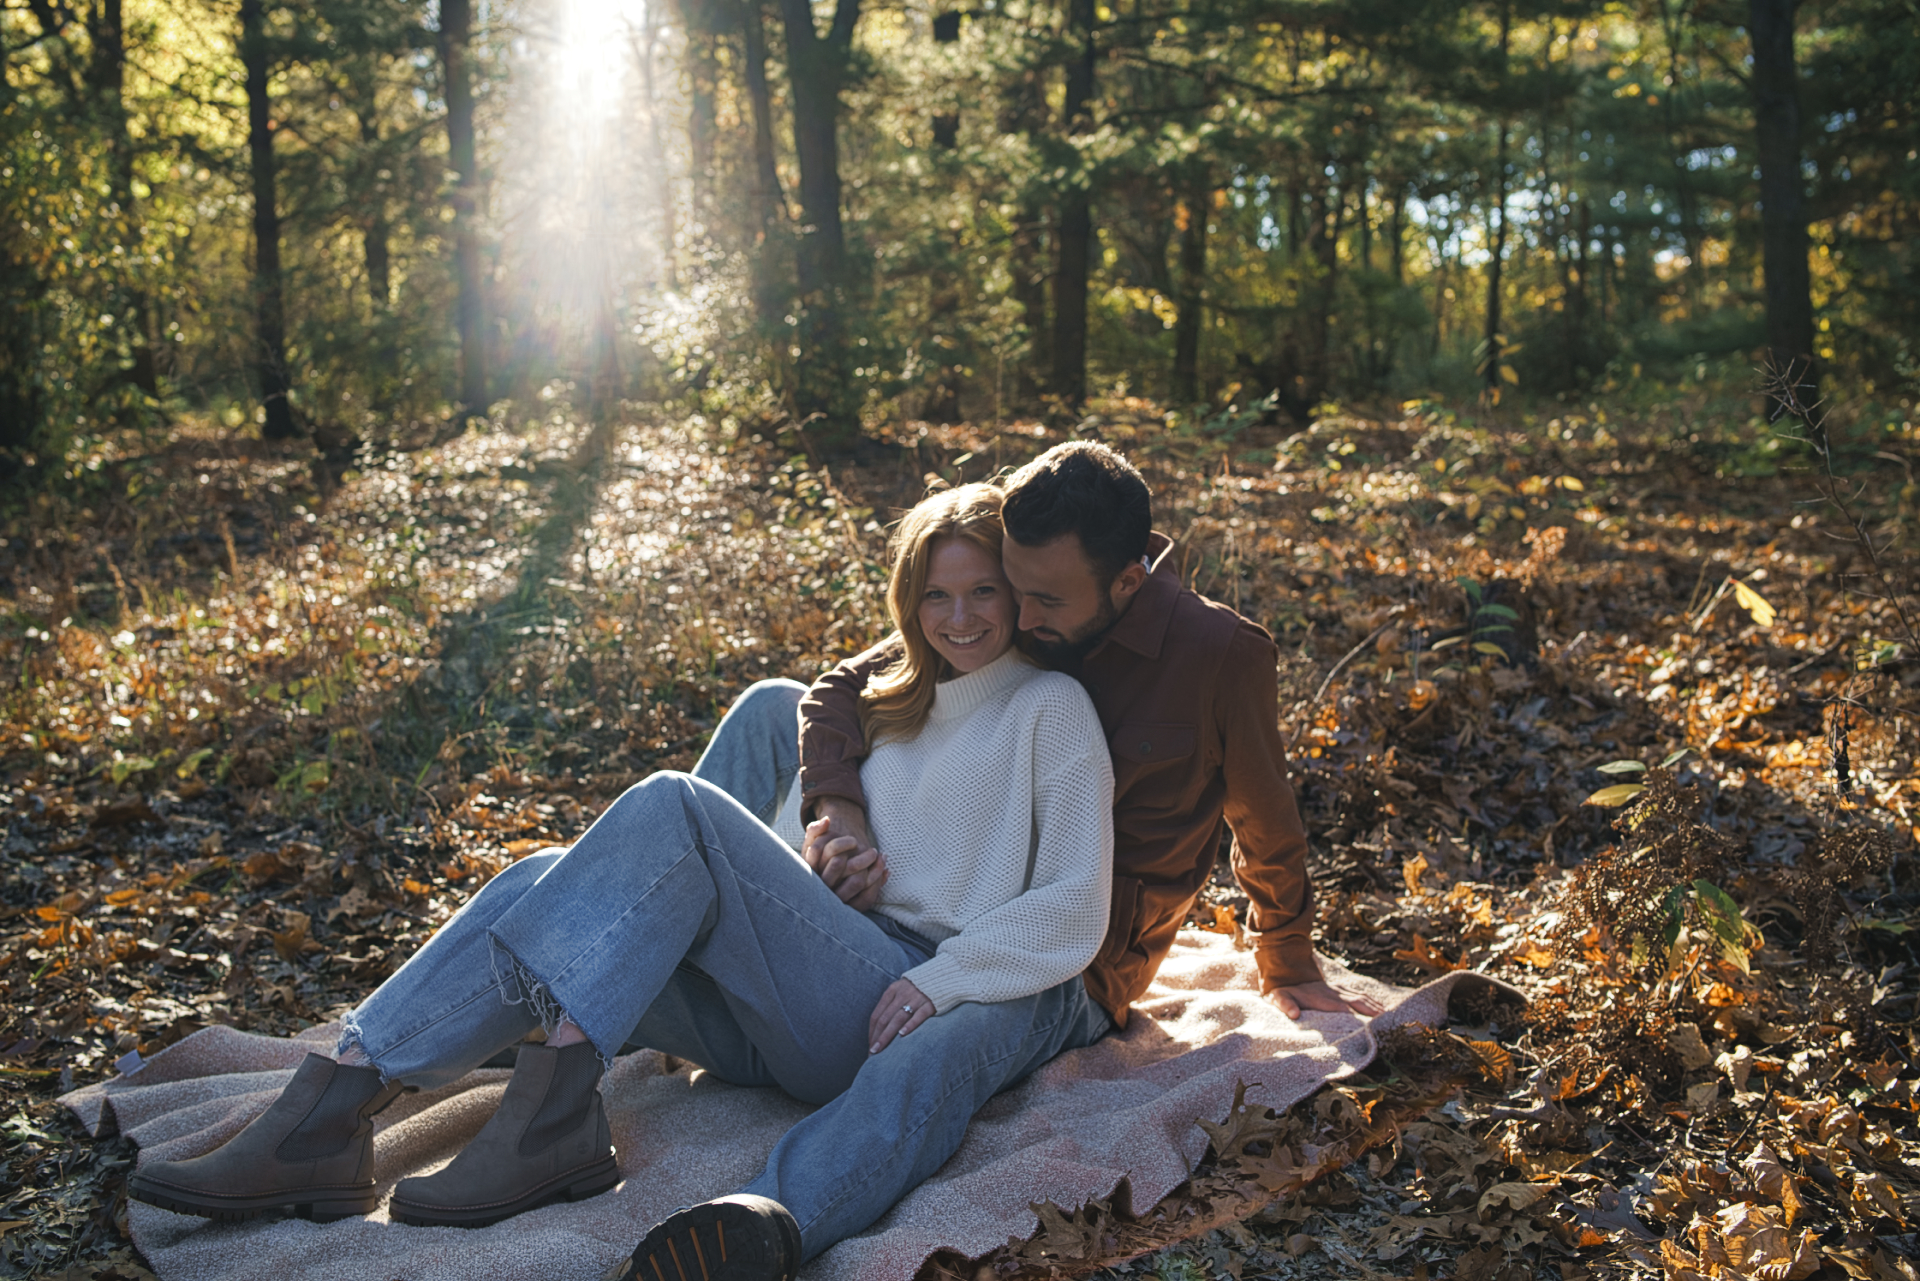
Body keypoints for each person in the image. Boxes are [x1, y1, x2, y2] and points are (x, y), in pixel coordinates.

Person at [127, 483, 1114, 1281]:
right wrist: (821, 858)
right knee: (539, 878)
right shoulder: (890, 705)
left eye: (983, 592)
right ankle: (332, 1109)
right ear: (909, 601)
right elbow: (766, 861)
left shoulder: (1050, 708)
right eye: (936, 596)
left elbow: (1075, 901)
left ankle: (550, 1116)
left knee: (676, 807)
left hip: (893, 999)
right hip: (795, 993)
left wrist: (939, 983)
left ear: (1018, 596)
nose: (960, 618)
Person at [663, 440, 1385, 1276]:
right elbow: (848, 683)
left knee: (936, 1047)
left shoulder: (1219, 655)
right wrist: (842, 807)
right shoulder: (1026, 582)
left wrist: (1287, 957)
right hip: (960, 889)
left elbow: (1266, 818)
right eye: (1012, 588)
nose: (1016, 616)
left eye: (1038, 599)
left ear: (1126, 581)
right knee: (769, 712)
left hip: (1077, 953)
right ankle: (576, 963)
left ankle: (763, 1223)